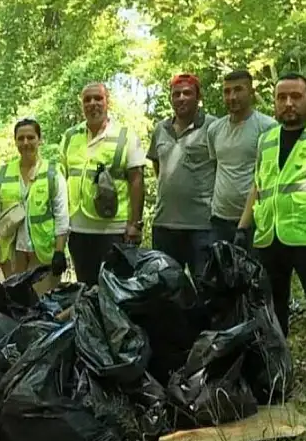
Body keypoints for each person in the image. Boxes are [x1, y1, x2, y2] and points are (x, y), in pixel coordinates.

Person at [236, 73, 306, 393]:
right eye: (281, 97)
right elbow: (258, 185)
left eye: (295, 96)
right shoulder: (267, 139)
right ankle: (278, 369)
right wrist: (243, 228)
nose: (288, 103)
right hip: (270, 236)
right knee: (272, 307)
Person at [59, 83, 145, 285]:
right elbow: (61, 179)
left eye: (98, 98)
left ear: (108, 102)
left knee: (115, 289)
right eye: (87, 100)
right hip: (79, 230)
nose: (92, 104)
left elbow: (137, 180)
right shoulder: (70, 136)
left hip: (113, 231)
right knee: (86, 289)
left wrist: (135, 224)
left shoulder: (126, 136)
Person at [0, 118, 69, 294]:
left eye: (31, 137)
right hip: (12, 254)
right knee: (15, 305)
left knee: (42, 307)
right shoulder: (3, 173)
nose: (26, 143)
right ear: (15, 141)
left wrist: (60, 252)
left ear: (40, 140)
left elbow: (62, 216)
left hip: (43, 254)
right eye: (21, 138)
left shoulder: (52, 172)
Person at [147, 74, 217, 278]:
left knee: (205, 287)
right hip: (164, 224)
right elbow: (158, 165)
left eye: (187, 93)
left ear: (198, 96)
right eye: (176, 94)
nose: (181, 98)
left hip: (202, 226)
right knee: (166, 289)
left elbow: (221, 167)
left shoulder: (213, 127)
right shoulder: (161, 129)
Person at [207, 70, 276, 244]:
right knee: (220, 271)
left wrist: (246, 223)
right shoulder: (214, 130)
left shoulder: (267, 127)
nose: (232, 96)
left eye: (238, 90)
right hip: (219, 220)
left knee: (254, 270)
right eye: (227, 91)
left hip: (256, 221)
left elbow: (268, 177)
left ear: (251, 93)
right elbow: (216, 168)